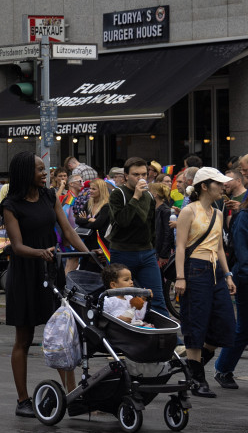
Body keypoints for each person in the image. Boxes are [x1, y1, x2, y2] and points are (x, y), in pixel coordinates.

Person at [0, 151, 91, 417]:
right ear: (25, 173)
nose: (45, 174)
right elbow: (17, 246)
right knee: (24, 339)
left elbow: (68, 230)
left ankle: (73, 395)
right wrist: (40, 252)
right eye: (40, 170)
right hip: (25, 273)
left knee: (62, 336)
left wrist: (87, 253)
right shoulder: (10, 205)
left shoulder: (50, 196)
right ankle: (23, 400)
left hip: (51, 271)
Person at [175, 167, 239, 398]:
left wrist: (228, 274)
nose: (223, 187)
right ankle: (197, 379)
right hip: (195, 269)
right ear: (204, 186)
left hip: (216, 272)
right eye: (218, 184)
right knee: (196, 322)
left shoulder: (218, 213)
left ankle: (193, 368)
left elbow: (219, 247)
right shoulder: (188, 211)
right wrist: (180, 277)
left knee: (225, 325)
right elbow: (180, 246)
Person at [105, 157, 168, 318]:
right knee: (122, 298)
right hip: (123, 252)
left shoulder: (149, 196)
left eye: (144, 174)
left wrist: (154, 250)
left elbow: (151, 226)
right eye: (135, 174)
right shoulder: (118, 194)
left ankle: (164, 332)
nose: (141, 178)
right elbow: (122, 221)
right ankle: (125, 328)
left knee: (156, 297)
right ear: (126, 176)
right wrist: (135, 197)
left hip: (146, 253)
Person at [214, 187, 248, 387]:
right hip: (245, 278)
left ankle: (223, 368)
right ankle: (223, 368)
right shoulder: (243, 217)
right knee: (244, 327)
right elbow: (242, 254)